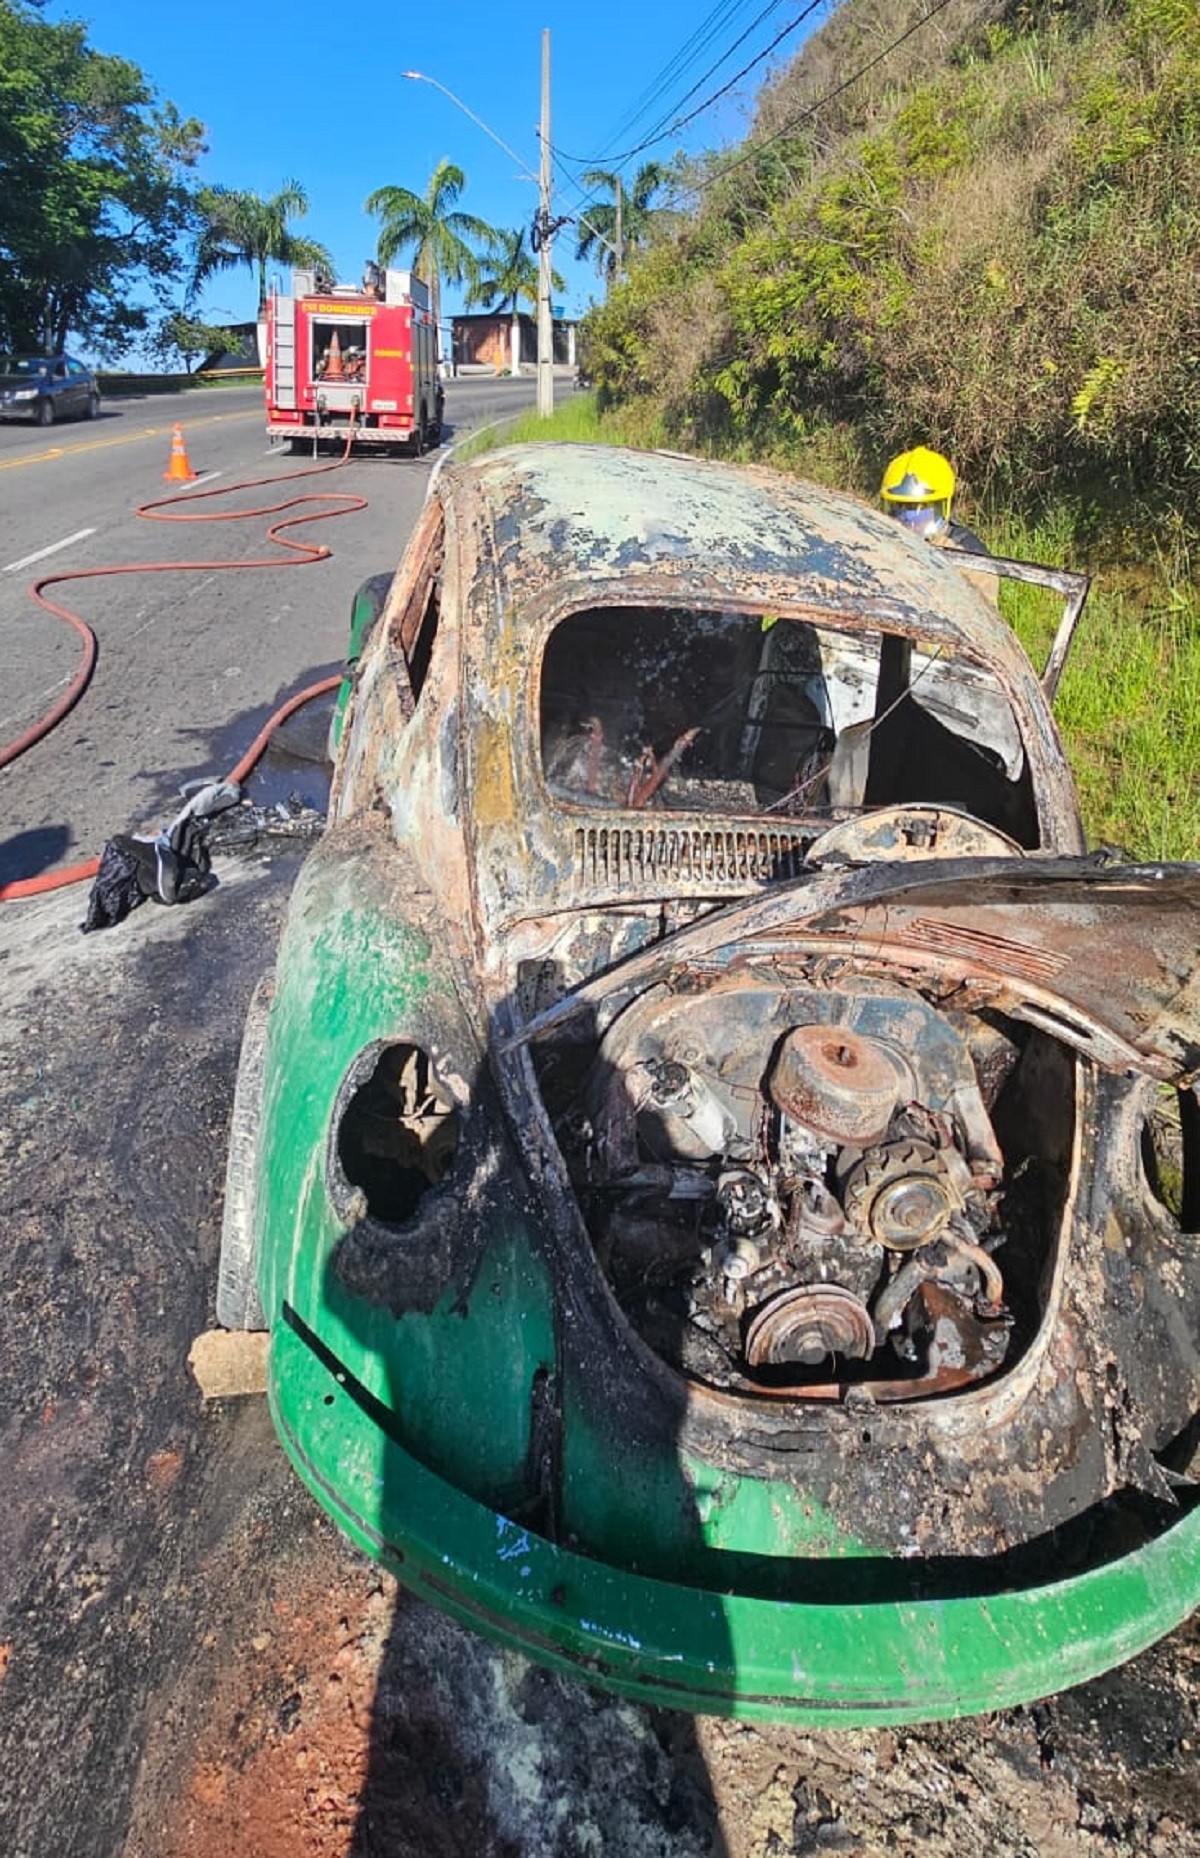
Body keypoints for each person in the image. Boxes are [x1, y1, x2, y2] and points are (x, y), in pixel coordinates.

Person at [879, 446, 989, 555]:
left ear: (945, 508)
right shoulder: (879, 538)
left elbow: (982, 572)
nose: (907, 517)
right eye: (900, 506)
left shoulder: (966, 550)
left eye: (919, 508)